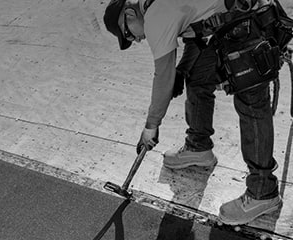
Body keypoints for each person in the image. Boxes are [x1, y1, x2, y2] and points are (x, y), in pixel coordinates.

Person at [103, 0, 285, 225]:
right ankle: (199, 148)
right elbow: (196, 35)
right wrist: (183, 70)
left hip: (246, 21)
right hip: (230, 23)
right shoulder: (155, 5)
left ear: (129, 16)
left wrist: (151, 125)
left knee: (251, 102)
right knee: (198, 76)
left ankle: (263, 191)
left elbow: (163, 75)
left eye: (129, 35)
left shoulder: (155, 17)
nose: (138, 40)